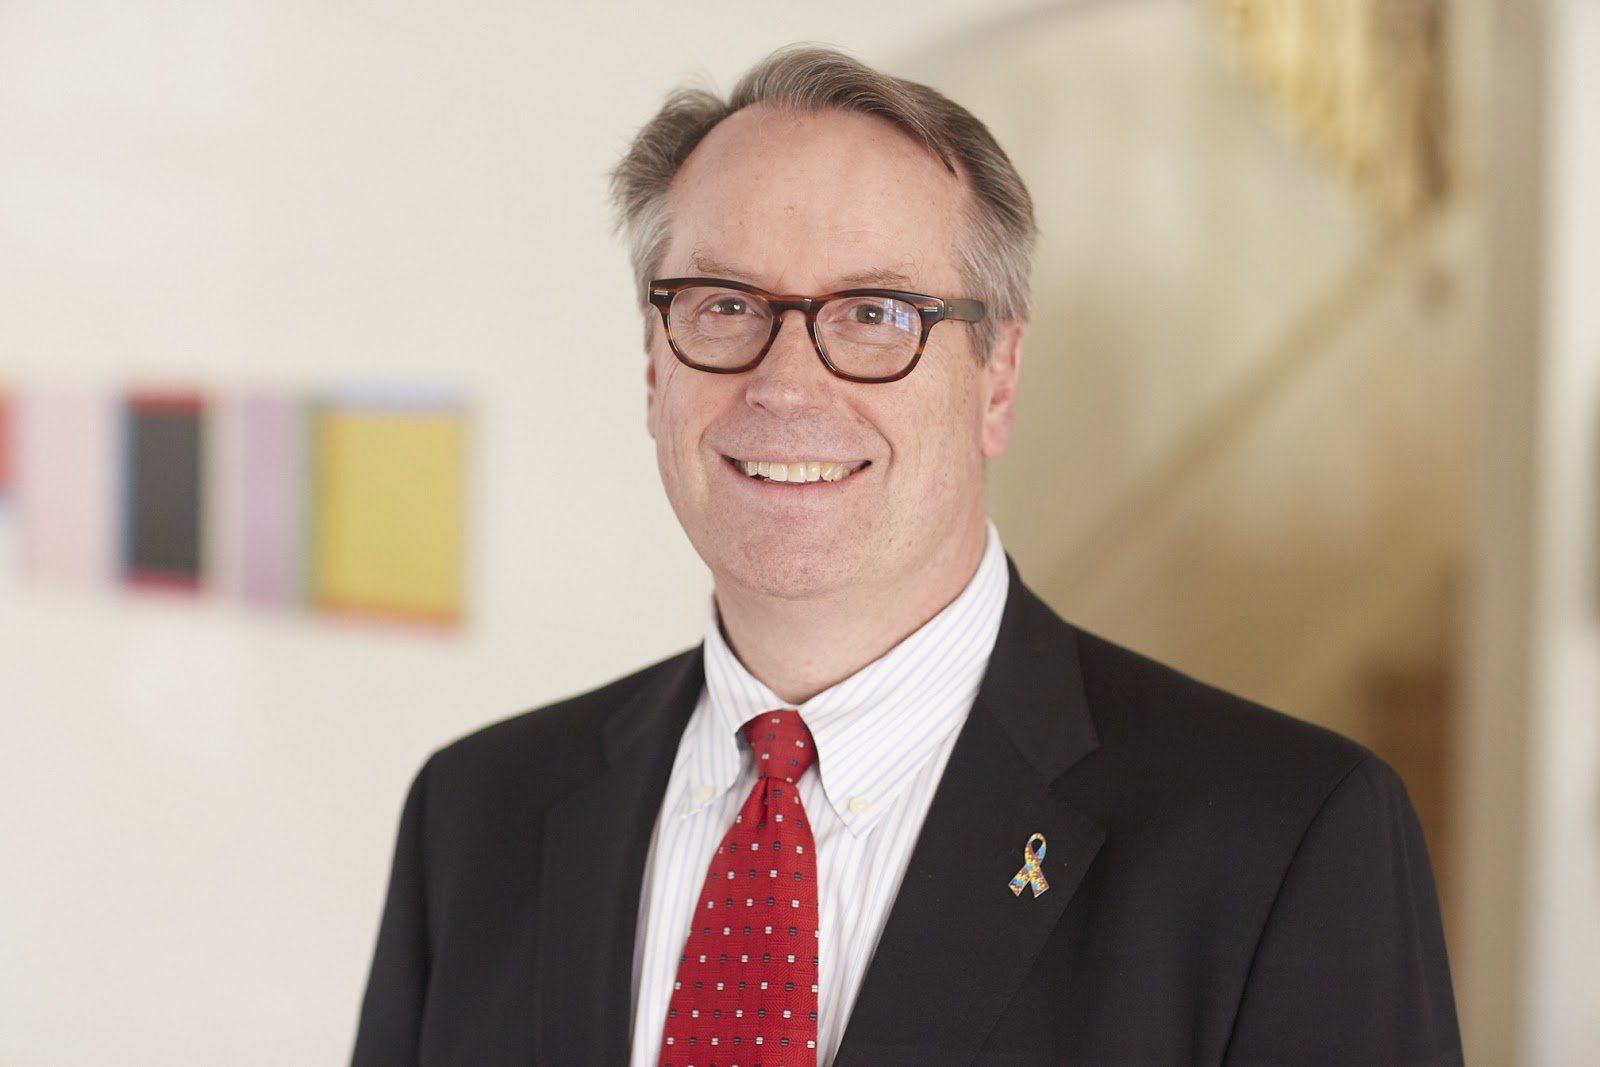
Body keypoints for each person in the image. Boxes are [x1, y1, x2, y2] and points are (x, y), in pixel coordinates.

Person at [352, 45, 1462, 1066]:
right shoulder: (475, 816)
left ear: (997, 378)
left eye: (877, 313)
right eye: (726, 303)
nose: (786, 383)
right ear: (655, 368)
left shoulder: (1286, 842)